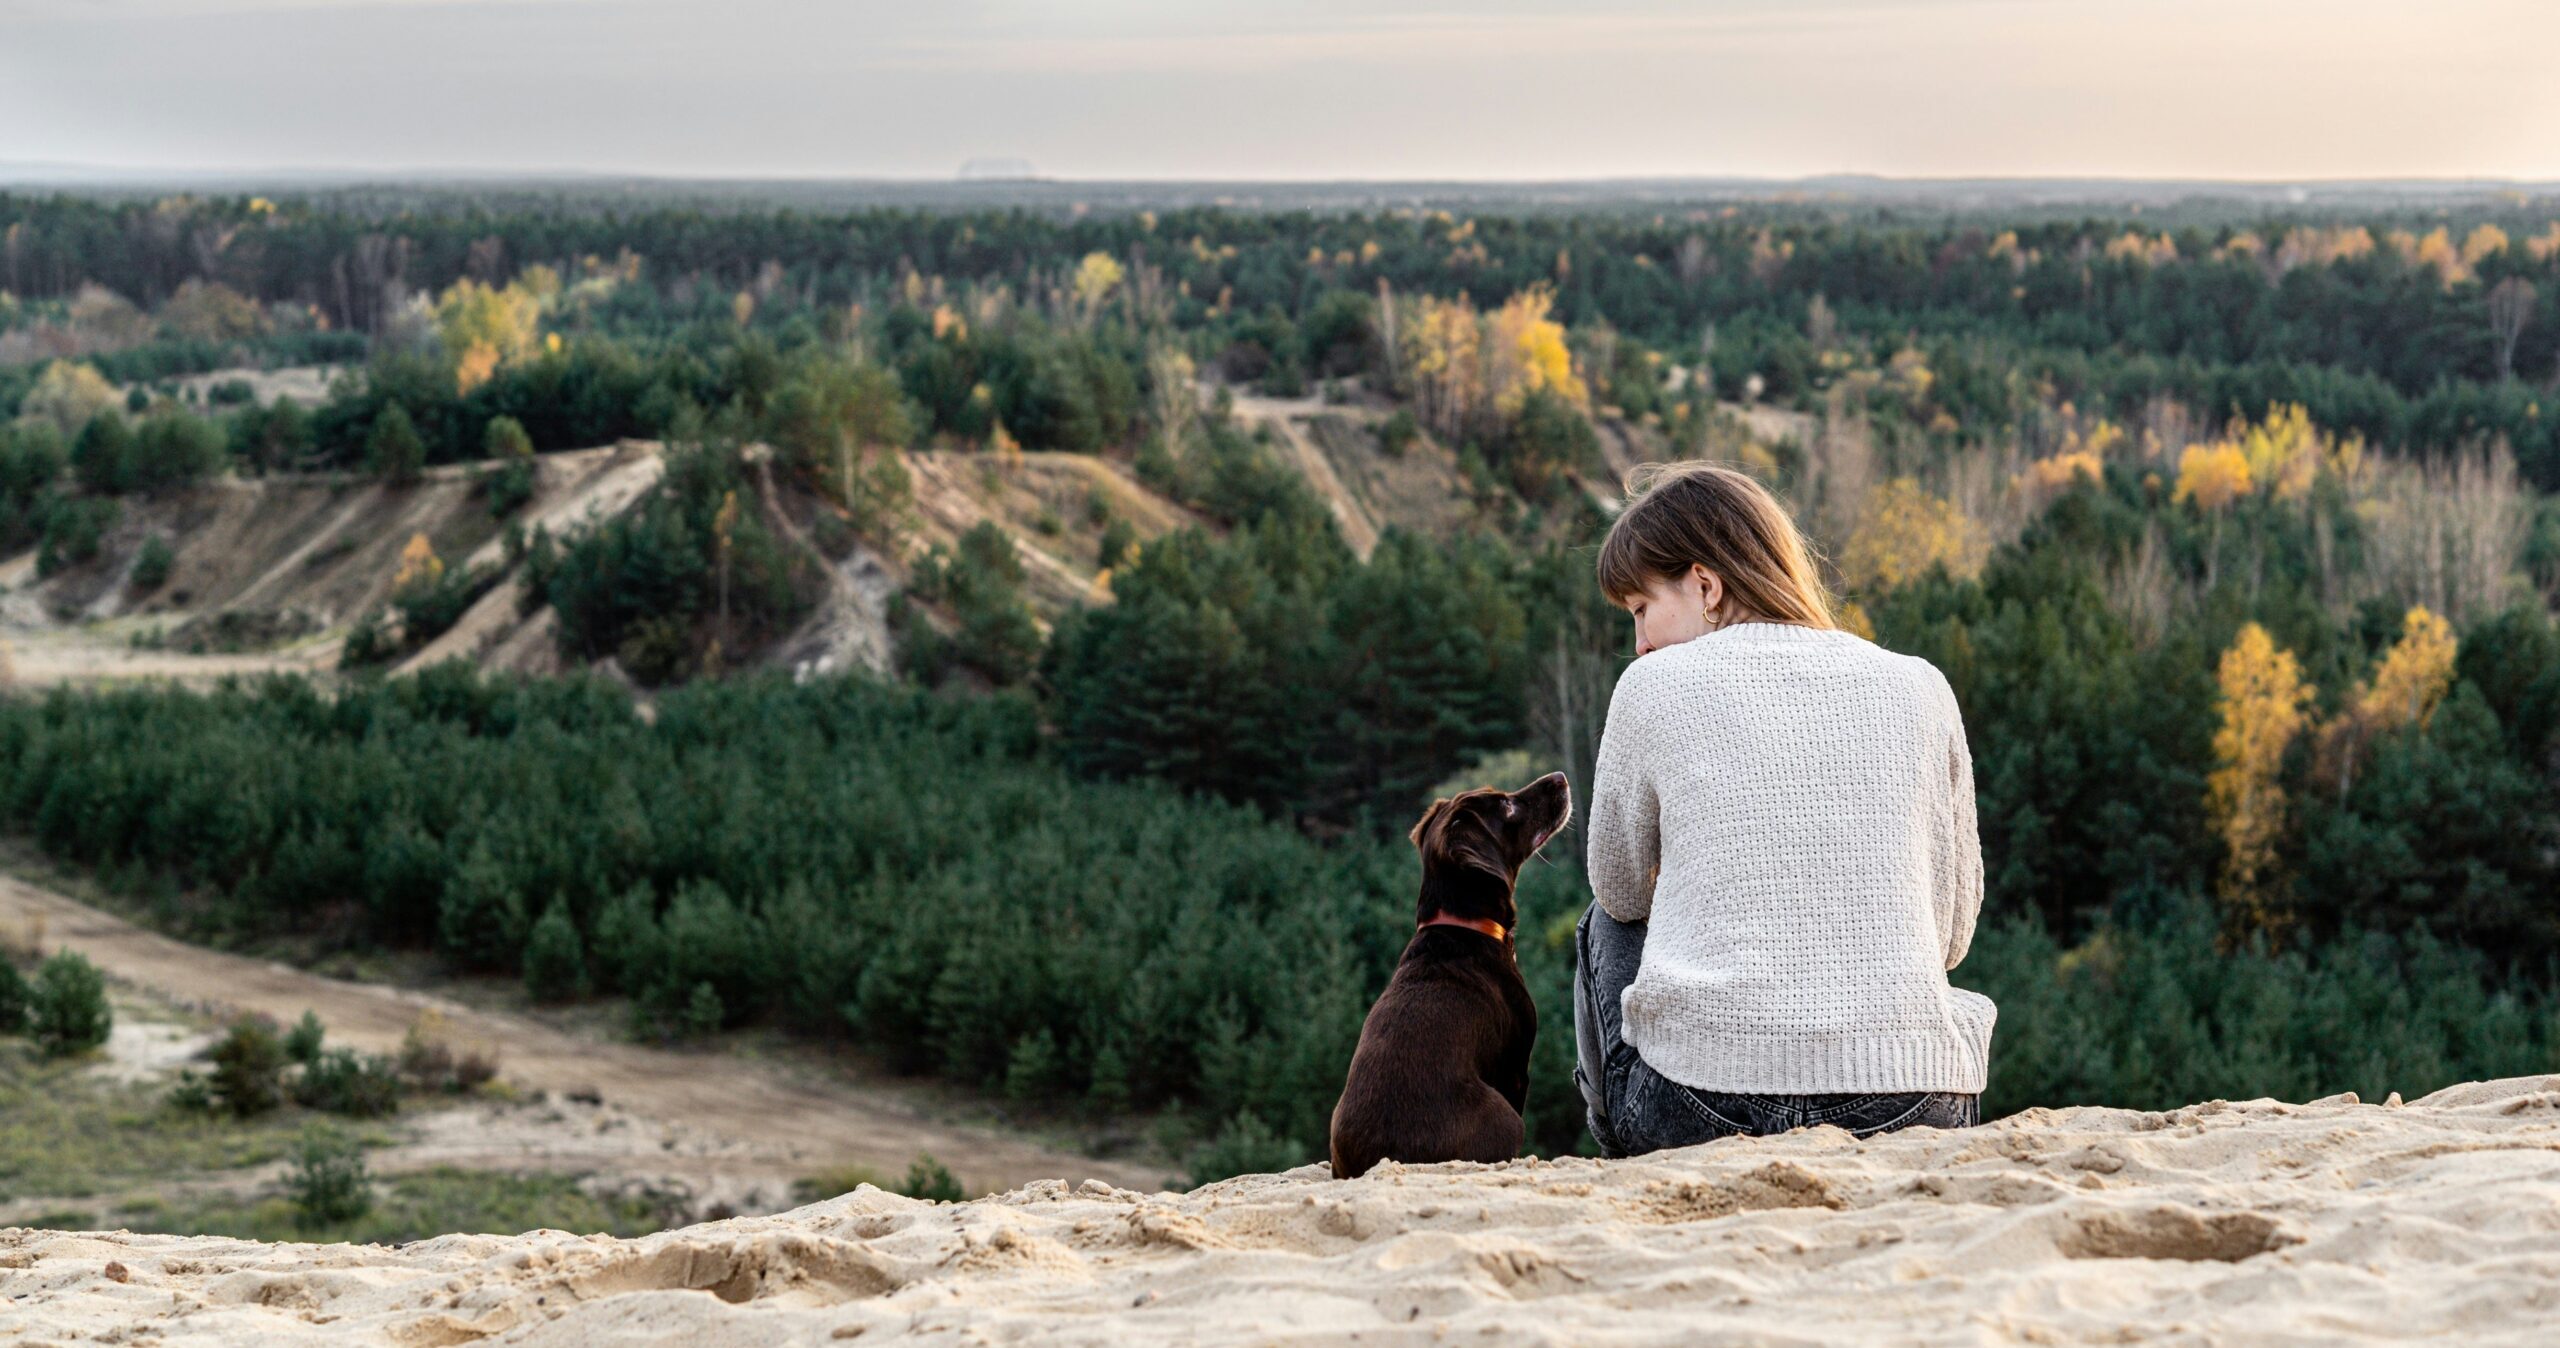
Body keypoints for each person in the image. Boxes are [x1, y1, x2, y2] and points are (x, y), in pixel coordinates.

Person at [1574, 461, 1992, 1155]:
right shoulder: (1921, 684)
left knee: (1603, 925)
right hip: (1913, 1104)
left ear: (1705, 585)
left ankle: (1621, 1150)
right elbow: (1950, 938)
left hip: (1696, 1107)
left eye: (1642, 609)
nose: (1639, 641)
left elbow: (1617, 890)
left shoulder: (1651, 683)